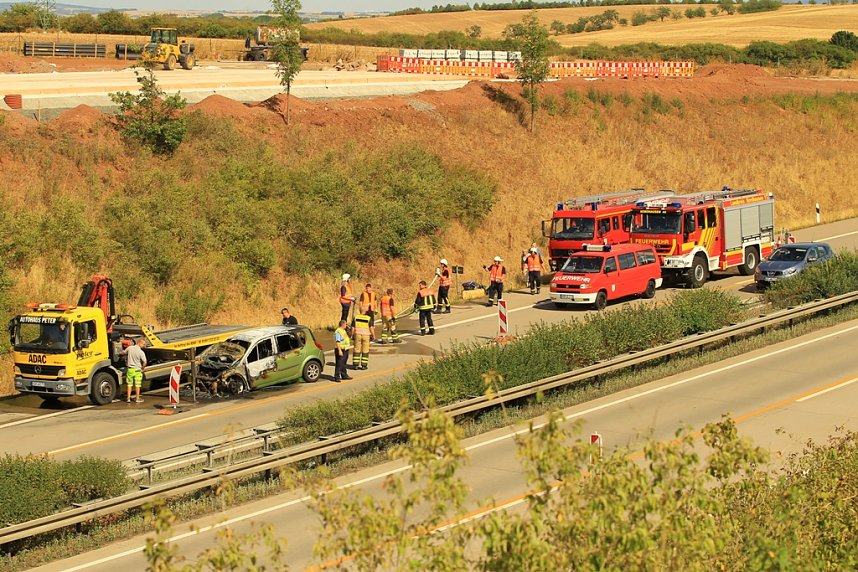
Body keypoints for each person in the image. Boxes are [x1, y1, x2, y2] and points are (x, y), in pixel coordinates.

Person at [125, 338, 147, 403]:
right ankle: (137, 398)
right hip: (137, 370)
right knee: (137, 385)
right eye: (143, 344)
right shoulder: (141, 352)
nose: (144, 346)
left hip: (130, 370)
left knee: (129, 384)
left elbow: (123, 352)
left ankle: (128, 398)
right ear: (139, 343)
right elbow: (145, 362)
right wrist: (142, 368)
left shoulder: (130, 348)